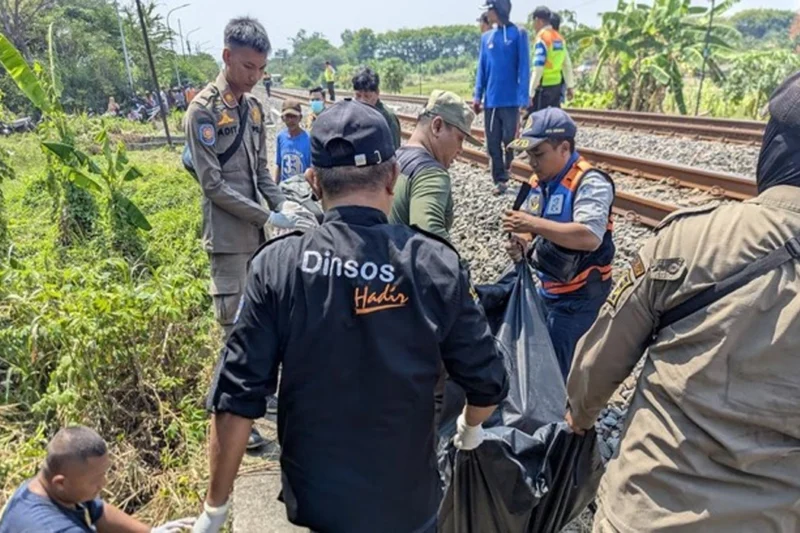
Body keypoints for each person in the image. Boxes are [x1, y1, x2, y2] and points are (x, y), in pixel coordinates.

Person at [191, 100, 509, 533]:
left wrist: (215, 509)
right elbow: (487, 382)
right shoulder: (436, 265)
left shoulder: (277, 266)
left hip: (319, 499)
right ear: (393, 176)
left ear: (314, 180)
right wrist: (469, 432)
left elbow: (235, 398)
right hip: (407, 503)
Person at [566, 72, 800, 533]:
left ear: (772, 146)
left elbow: (597, 366)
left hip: (647, 511)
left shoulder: (694, 237)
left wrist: (580, 414)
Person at [184, 17, 313, 449]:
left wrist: (285, 204)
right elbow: (213, 185)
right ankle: (235, 419)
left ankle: (262, 398)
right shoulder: (203, 110)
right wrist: (267, 216)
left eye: (260, 69)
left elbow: (261, 173)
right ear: (226, 57)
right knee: (234, 333)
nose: (254, 77)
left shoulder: (255, 109)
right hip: (228, 240)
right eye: (247, 67)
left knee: (264, 324)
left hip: (258, 236)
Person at [502, 107, 615, 380]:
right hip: (550, 288)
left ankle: (569, 417)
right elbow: (529, 223)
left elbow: (589, 236)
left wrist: (532, 225)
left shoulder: (590, 182)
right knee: (544, 358)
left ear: (564, 148)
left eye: (538, 154)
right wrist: (521, 243)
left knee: (560, 369)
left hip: (580, 296)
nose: (532, 162)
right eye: (528, 155)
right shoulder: (538, 182)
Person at [0, 426, 193, 533]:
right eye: (95, 480)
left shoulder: (44, 491)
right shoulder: (51, 528)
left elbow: (97, 511)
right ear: (60, 483)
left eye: (104, 474)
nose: (104, 484)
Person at [390, 90, 481, 242]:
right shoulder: (430, 174)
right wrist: (456, 265)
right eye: (460, 139)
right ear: (437, 126)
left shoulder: (396, 157)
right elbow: (431, 238)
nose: (460, 149)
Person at [474, 0, 530, 195]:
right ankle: (500, 178)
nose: (487, 14)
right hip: (491, 101)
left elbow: (524, 67)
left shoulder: (518, 35)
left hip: (511, 100)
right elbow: (481, 69)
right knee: (492, 142)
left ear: (498, 10)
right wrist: (477, 96)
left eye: (489, 9)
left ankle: (509, 165)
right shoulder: (486, 38)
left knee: (509, 139)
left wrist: (524, 97)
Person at [528, 6, 575, 113]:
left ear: (537, 20)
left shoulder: (542, 38)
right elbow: (566, 64)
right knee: (553, 121)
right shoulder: (559, 38)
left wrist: (530, 92)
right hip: (556, 87)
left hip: (542, 88)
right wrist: (570, 86)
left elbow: (538, 67)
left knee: (533, 121)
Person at [352, 66, 401, 150]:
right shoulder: (351, 114)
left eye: (367, 96)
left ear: (377, 93)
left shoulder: (388, 118)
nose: (362, 101)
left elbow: (394, 152)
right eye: (358, 95)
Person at [274, 99, 311, 183]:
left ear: (300, 118)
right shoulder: (281, 137)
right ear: (282, 118)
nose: (291, 120)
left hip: (303, 189)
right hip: (285, 187)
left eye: (294, 116)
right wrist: (275, 186)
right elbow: (279, 164)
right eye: (288, 116)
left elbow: (312, 168)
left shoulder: (308, 139)